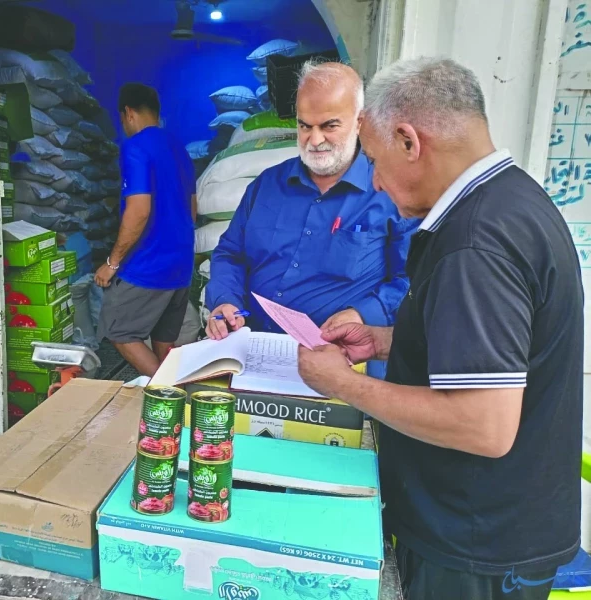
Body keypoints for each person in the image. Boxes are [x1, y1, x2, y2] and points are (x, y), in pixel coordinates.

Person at [298, 58, 582, 600]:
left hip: (479, 546)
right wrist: (385, 341)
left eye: (376, 161)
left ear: (409, 141)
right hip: (494, 528)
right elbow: (495, 353)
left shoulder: (476, 243)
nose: (376, 184)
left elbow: (483, 425)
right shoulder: (511, 199)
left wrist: (344, 384)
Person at [205, 61, 418, 379]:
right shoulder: (267, 185)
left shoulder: (392, 192)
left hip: (337, 367)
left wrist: (362, 313)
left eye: (329, 126)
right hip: (251, 357)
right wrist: (225, 301)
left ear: (360, 122)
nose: (314, 140)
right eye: (305, 126)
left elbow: (412, 280)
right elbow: (230, 254)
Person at [95, 83, 196, 376]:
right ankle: (173, 405)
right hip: (180, 265)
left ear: (127, 113)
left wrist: (112, 263)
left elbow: (139, 211)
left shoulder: (136, 147)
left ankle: (172, 393)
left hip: (149, 266)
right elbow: (192, 207)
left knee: (119, 330)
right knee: (164, 343)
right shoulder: (178, 148)